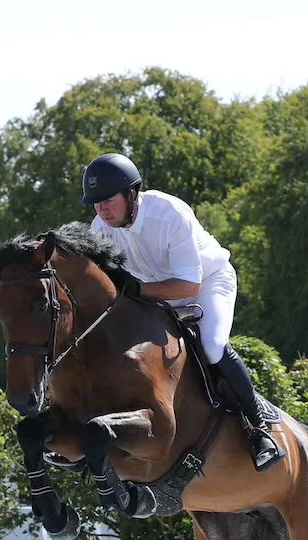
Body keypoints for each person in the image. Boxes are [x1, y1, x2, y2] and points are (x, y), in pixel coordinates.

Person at [81, 153, 284, 472]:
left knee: (212, 347)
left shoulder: (168, 213)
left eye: (108, 200)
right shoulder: (100, 229)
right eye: (96, 202)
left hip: (206, 283)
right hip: (157, 295)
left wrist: (137, 291)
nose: (102, 209)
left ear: (131, 194)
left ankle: (260, 430)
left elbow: (189, 286)